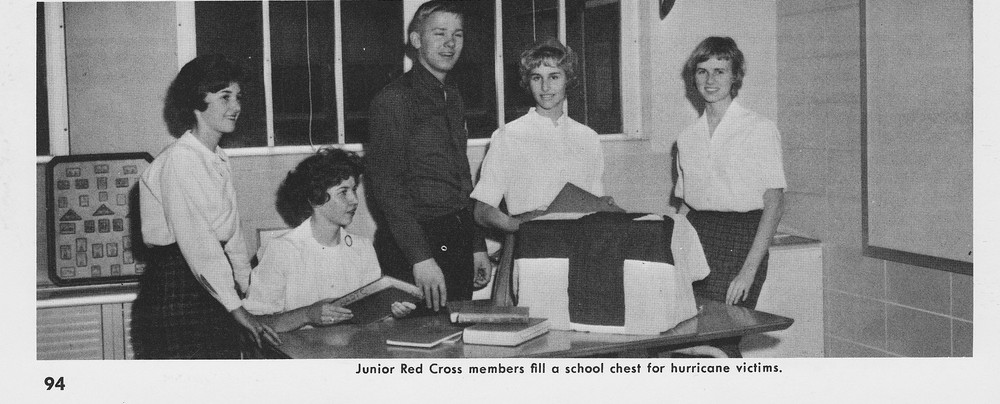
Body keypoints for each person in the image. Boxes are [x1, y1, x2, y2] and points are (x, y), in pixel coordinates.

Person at [131, 54, 280, 359]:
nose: (236, 106)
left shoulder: (217, 159)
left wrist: (247, 284)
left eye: (238, 97)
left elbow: (231, 233)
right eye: (225, 97)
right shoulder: (181, 160)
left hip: (210, 284)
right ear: (197, 102)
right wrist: (237, 308)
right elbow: (198, 243)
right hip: (177, 290)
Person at [366, 1, 491, 312]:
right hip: (415, 244)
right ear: (416, 40)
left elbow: (461, 177)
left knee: (457, 332)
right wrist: (420, 257)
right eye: (439, 33)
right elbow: (388, 188)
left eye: (457, 34)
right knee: (417, 336)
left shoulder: (453, 97)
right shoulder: (393, 100)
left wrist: (476, 245)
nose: (450, 43)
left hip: (456, 238)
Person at [674, 36, 786, 357]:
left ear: (735, 76)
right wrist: (670, 254)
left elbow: (775, 203)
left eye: (720, 71)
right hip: (697, 236)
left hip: (741, 240)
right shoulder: (687, 138)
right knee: (689, 339)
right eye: (702, 71)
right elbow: (685, 206)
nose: (710, 80)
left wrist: (748, 271)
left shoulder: (759, 128)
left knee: (720, 339)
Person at [242, 148, 415, 332]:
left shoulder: (363, 248)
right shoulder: (282, 250)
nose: (354, 200)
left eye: (354, 190)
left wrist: (389, 313)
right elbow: (256, 323)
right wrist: (307, 314)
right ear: (316, 198)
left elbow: (372, 322)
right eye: (343, 192)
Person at [471, 38, 607, 233]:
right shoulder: (508, 136)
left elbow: (596, 207)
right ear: (528, 81)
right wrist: (522, 228)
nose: (545, 87)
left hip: (579, 240)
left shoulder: (588, 137)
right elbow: (482, 211)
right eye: (537, 78)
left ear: (568, 79)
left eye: (554, 77)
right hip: (531, 240)